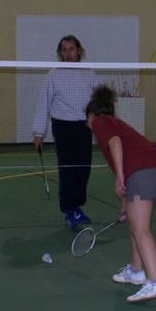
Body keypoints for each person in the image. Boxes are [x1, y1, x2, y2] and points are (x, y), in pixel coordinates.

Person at [86, 84, 156, 303]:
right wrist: (124, 205)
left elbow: (115, 144)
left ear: (91, 114)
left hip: (143, 171)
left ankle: (155, 282)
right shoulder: (116, 123)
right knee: (135, 224)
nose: (87, 124)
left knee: (140, 228)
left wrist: (120, 177)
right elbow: (124, 155)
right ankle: (135, 272)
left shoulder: (100, 122)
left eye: (86, 118)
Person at [32, 35, 100, 229]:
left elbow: (98, 103)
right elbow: (43, 103)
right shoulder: (54, 75)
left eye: (72, 49)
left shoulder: (90, 74)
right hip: (63, 127)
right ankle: (69, 210)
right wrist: (39, 132)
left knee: (83, 169)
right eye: (64, 50)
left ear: (79, 51)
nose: (68, 53)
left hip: (84, 128)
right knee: (68, 169)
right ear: (60, 53)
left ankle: (77, 206)